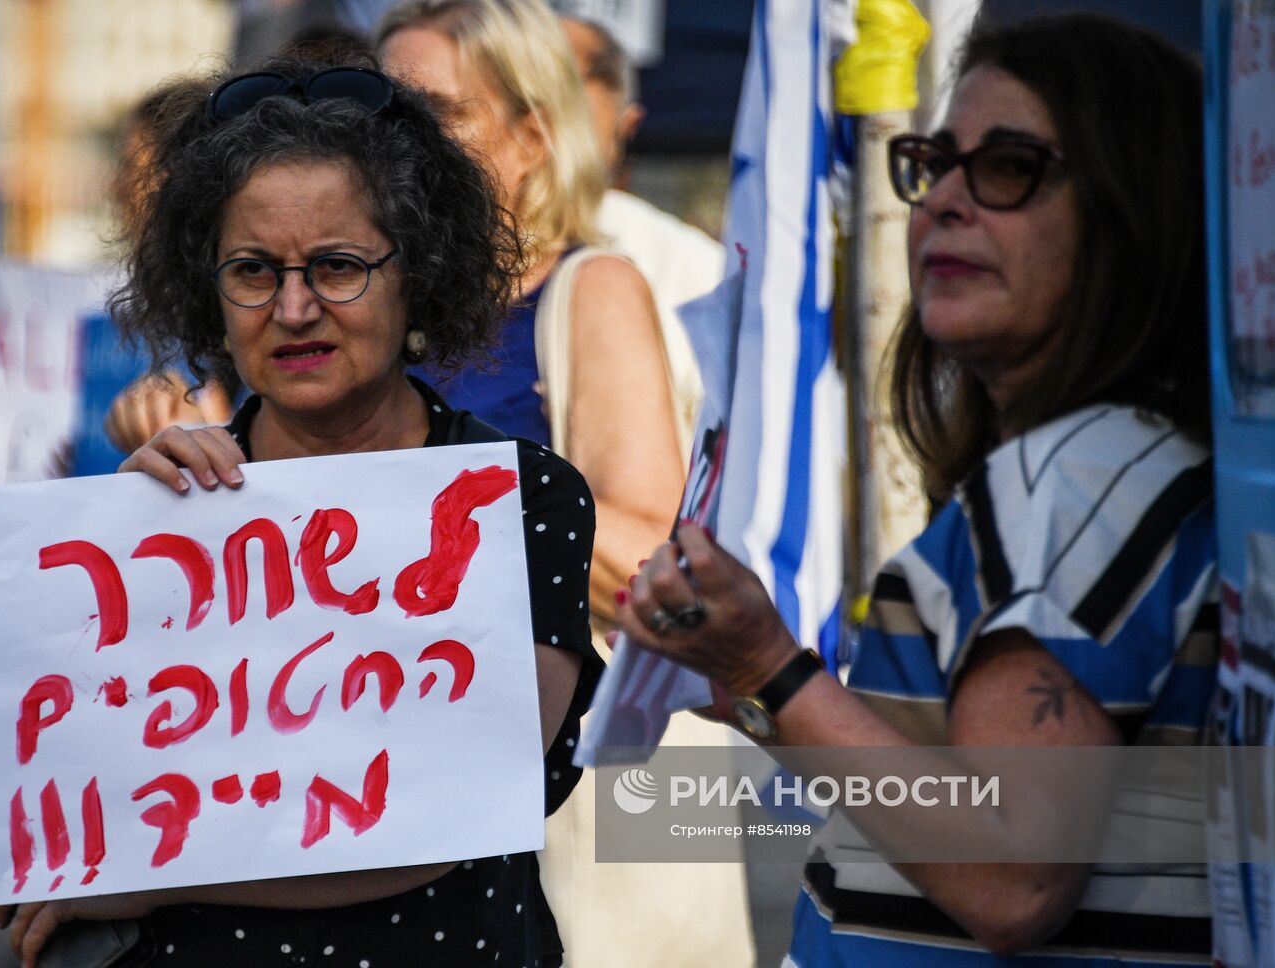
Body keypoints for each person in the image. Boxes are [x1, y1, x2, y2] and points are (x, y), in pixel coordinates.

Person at [620, 13, 1216, 966]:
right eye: (933, 164)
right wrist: (754, 692)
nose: (943, 201)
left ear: (1134, 212)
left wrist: (770, 666)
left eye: (1010, 167)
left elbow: (1011, 876)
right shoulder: (1097, 466)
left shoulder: (1074, 476)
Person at [0, 56, 600, 968]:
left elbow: (455, 804)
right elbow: (59, 796)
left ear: (419, 272)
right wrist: (132, 536)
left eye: (338, 266)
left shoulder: (523, 499)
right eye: (252, 269)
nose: (293, 307)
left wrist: (150, 877)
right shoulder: (157, 512)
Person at [376, 4, 755, 966]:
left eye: (435, 114)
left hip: (577, 817)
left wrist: (428, 486)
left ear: (532, 136)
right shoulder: (379, 311)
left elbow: (652, 562)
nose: (393, 147)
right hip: (419, 804)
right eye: (377, 115)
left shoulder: (590, 289)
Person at [560, 14, 724, 455]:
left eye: (569, 108)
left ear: (626, 127)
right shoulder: (435, 258)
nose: (545, 134)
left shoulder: (695, 267)